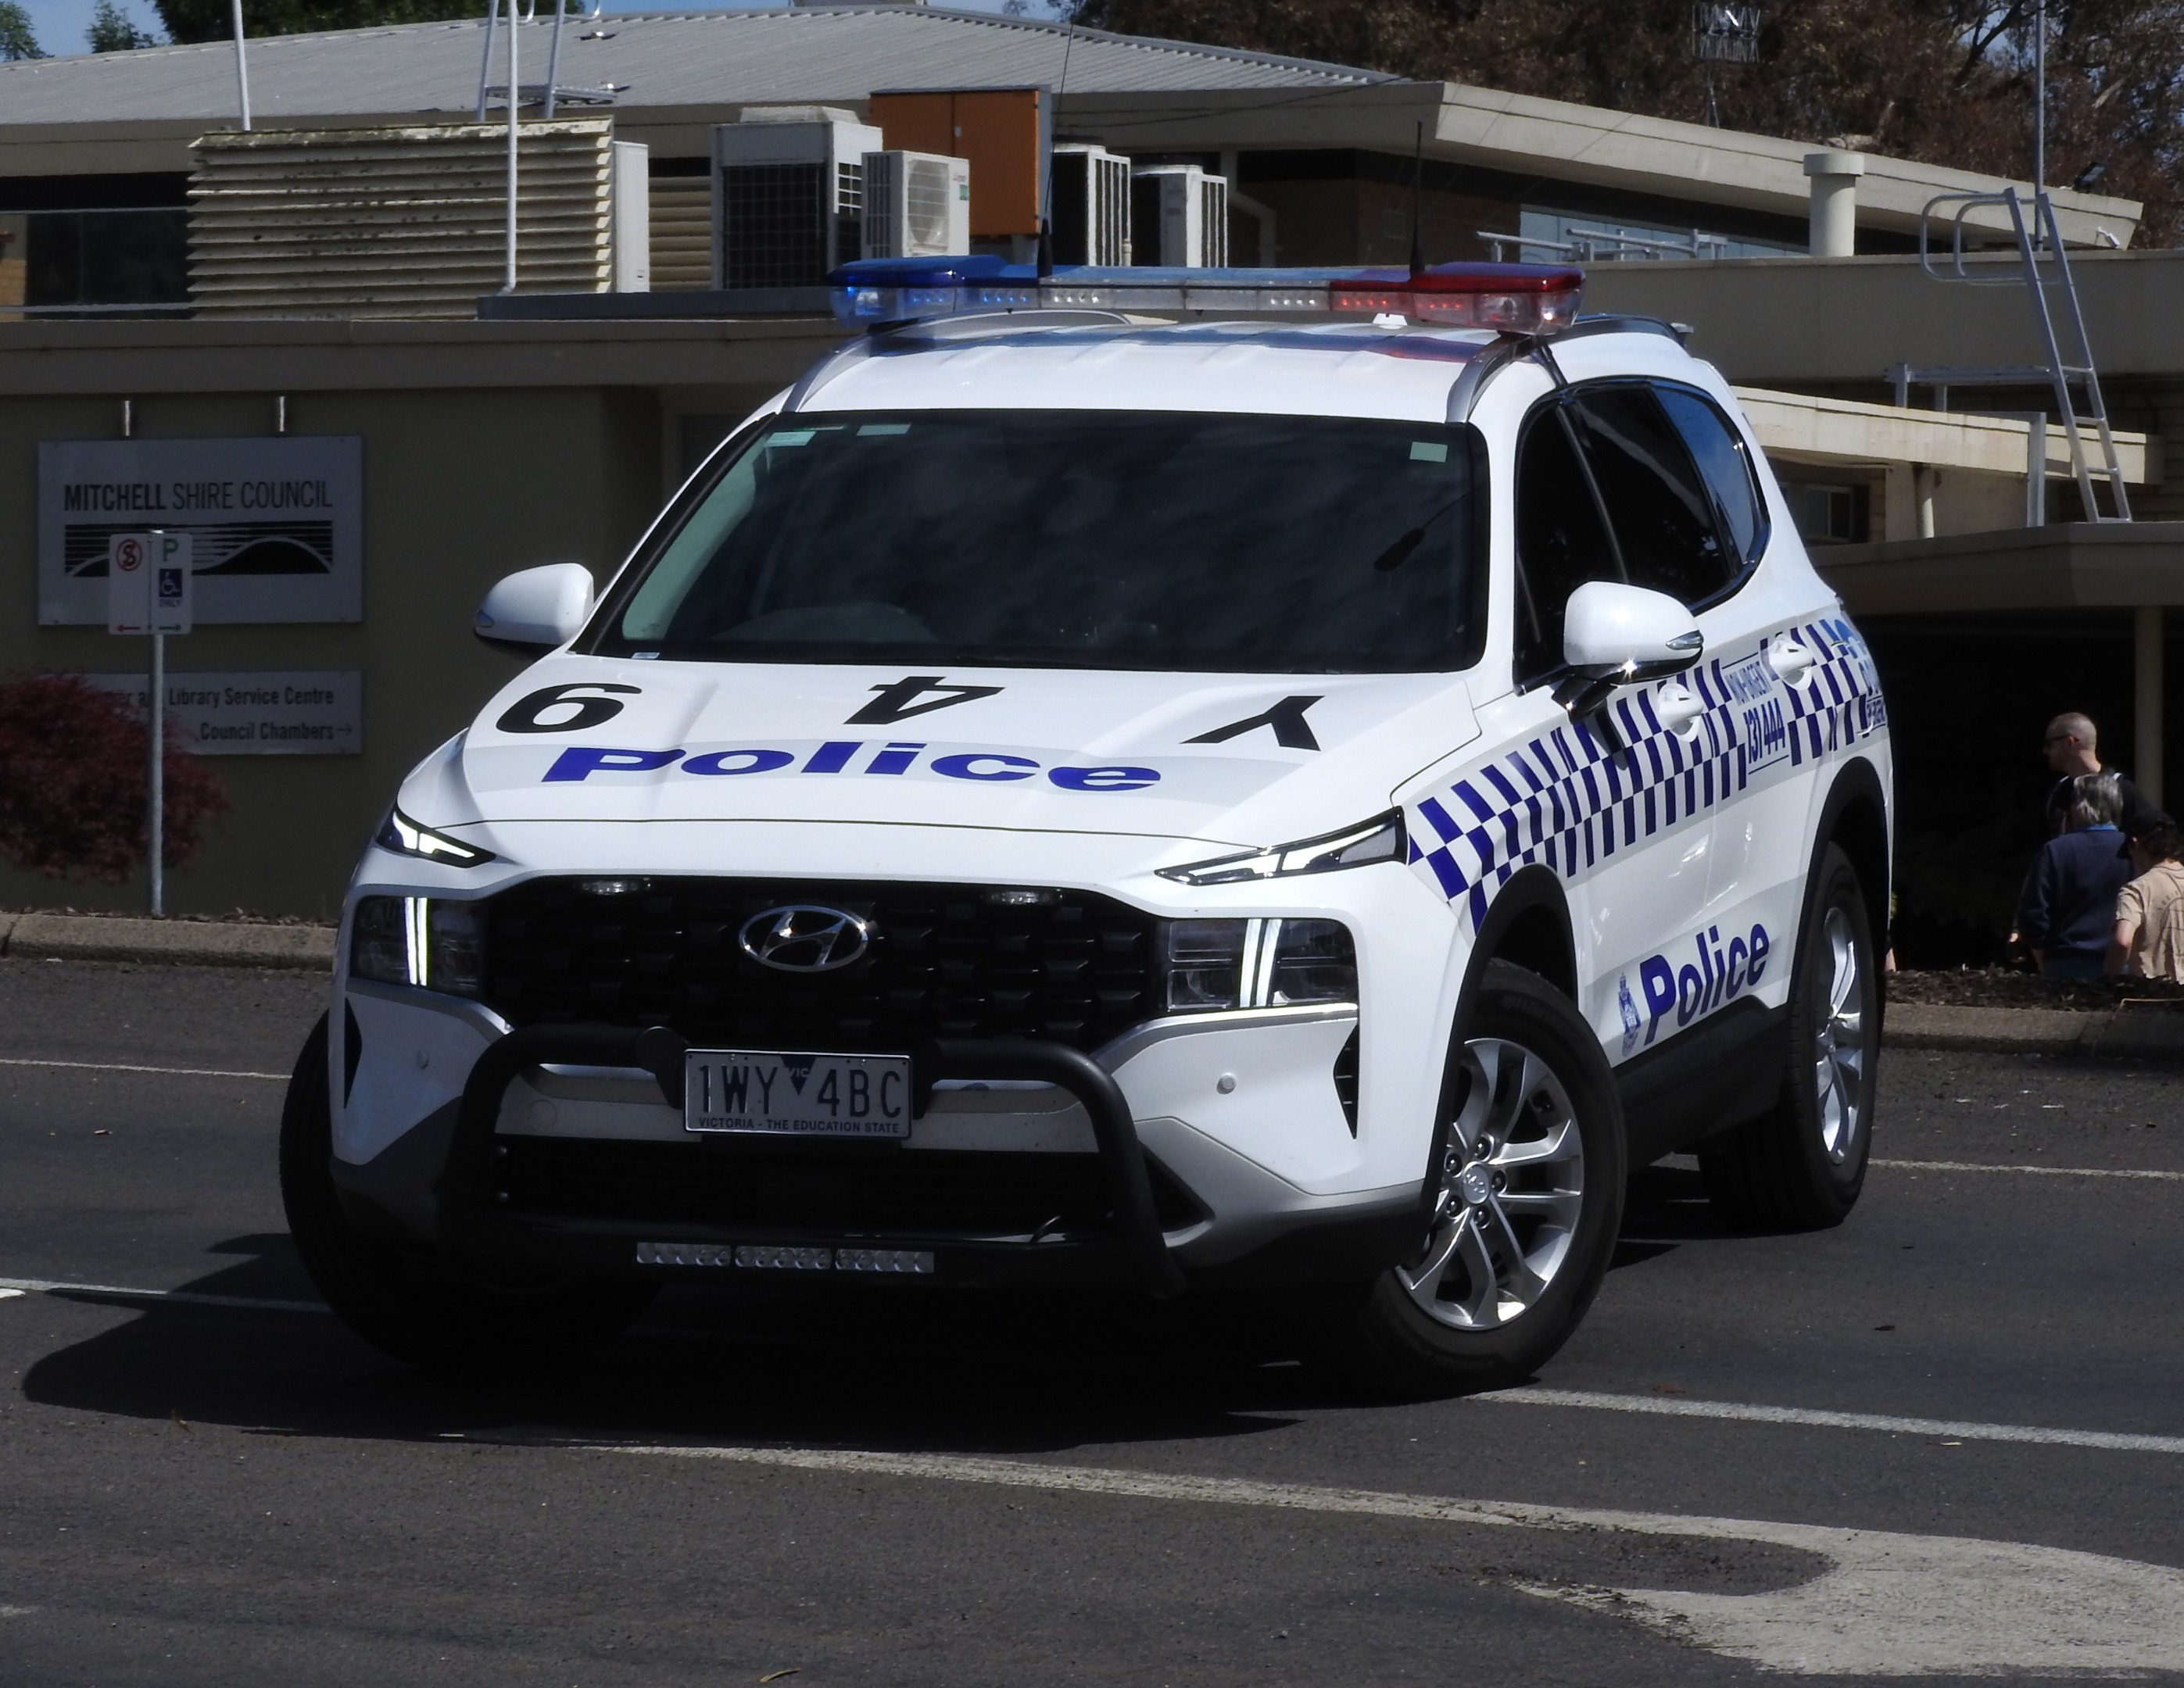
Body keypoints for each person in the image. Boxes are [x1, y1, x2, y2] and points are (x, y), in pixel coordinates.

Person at [2018, 771, 2135, 978]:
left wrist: (2045, 961)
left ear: (2080, 806)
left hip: (2065, 964)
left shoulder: (2055, 850)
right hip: (2123, 963)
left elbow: (2034, 915)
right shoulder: (2134, 850)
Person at [2107, 810, 2184, 982]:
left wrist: (2108, 981)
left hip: (2153, 992)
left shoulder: (2137, 890)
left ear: (2135, 844)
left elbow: (2122, 942)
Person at [2041, 712, 2146, 837]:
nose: (2045, 751)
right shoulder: (2056, 794)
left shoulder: (2123, 791)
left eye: (2050, 744)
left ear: (2070, 742)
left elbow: (2152, 841)